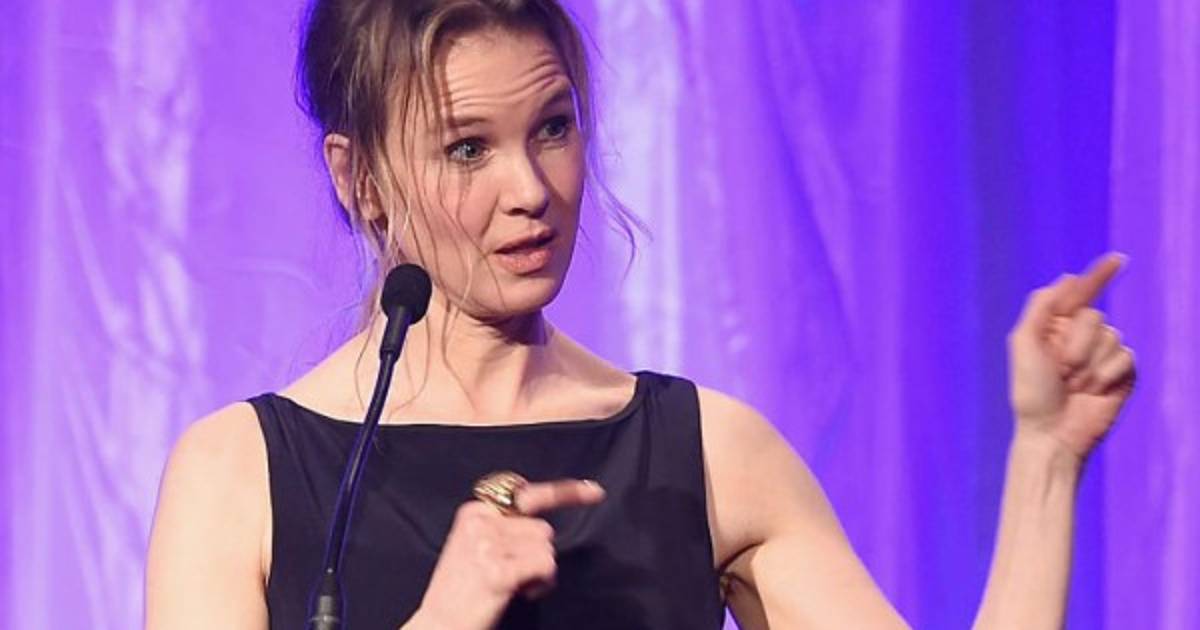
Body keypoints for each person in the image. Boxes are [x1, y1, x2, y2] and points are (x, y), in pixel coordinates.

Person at [144, 1, 1138, 628]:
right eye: (466, 149)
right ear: (358, 178)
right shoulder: (238, 474)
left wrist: (1046, 458)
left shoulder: (706, 452)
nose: (530, 190)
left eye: (553, 128)